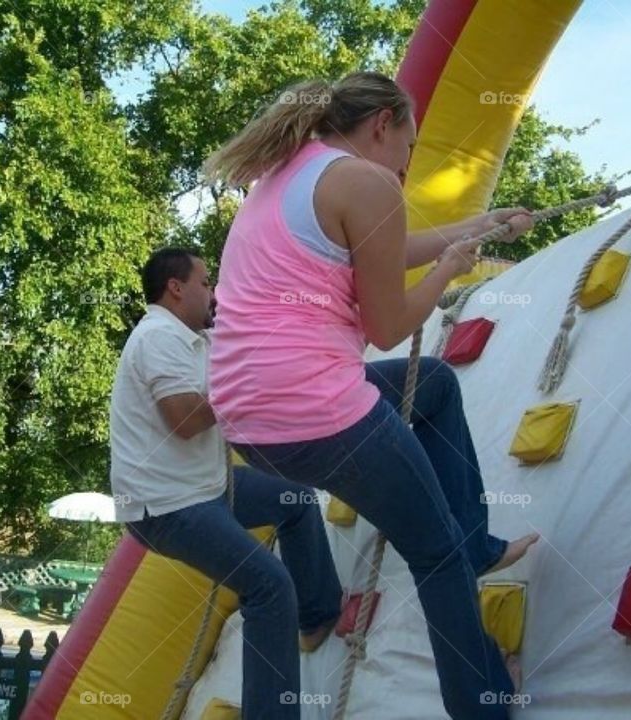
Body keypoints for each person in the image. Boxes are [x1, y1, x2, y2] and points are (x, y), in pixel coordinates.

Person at [205, 71, 539, 719]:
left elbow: (381, 252)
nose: (408, 163)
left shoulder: (286, 173)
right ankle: (485, 700)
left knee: (434, 385)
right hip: (317, 414)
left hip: (248, 424)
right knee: (434, 555)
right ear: (382, 126)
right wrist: (448, 271)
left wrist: (482, 224)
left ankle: (477, 544)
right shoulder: (367, 181)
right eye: (408, 147)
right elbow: (388, 326)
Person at [110, 247, 343, 719]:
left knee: (294, 499)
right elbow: (185, 420)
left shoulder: (196, 339)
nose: (212, 293)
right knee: (269, 586)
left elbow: (255, 338)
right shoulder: (157, 336)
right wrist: (244, 388)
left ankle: (316, 617)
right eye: (205, 283)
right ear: (175, 288)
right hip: (168, 508)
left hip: (205, 489)